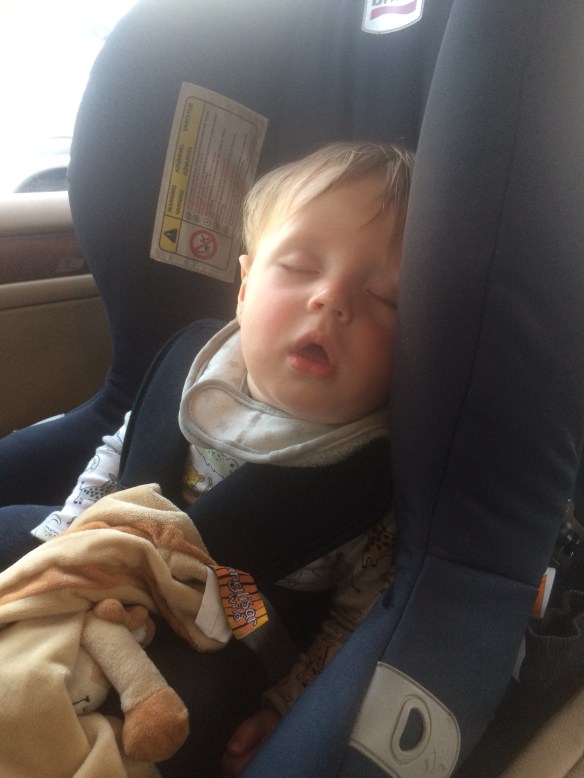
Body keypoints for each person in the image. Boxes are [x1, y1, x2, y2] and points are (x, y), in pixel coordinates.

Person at [31, 140, 414, 774]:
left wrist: (287, 704)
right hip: (113, 556)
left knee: (174, 727)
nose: (332, 298)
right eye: (299, 266)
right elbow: (119, 452)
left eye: (387, 298)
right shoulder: (193, 373)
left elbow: (354, 622)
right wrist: (64, 542)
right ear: (243, 287)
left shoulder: (366, 481)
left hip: (236, 623)